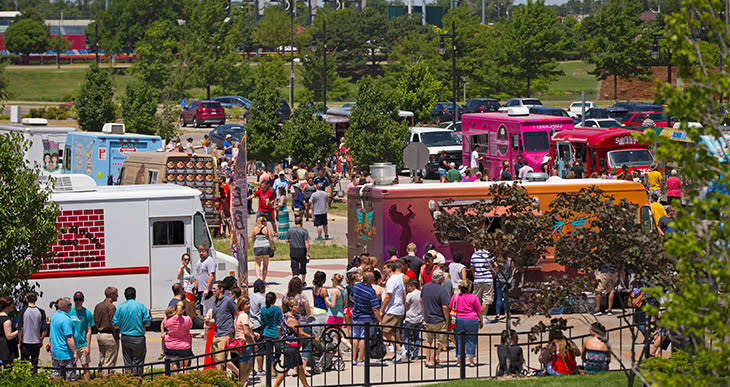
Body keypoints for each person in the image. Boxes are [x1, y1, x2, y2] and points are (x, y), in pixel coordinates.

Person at [275, 297, 317, 387]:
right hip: (291, 346)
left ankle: (306, 385)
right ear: (290, 307)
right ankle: (275, 386)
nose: (298, 307)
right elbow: (300, 333)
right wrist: (313, 337)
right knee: (285, 370)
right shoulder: (292, 320)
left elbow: (280, 330)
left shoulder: (284, 316)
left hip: (288, 345)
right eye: (296, 305)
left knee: (300, 368)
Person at [112, 287, 151, 376]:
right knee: (138, 362)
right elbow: (147, 323)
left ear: (125, 296)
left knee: (128, 362)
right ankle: (137, 380)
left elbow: (115, 324)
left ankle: (129, 380)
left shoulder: (120, 307)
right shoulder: (141, 306)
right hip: (138, 337)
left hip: (125, 337)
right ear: (135, 295)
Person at [421, 269, 450, 368]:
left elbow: (421, 300)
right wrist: (447, 319)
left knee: (428, 340)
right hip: (439, 319)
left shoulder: (425, 287)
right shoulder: (441, 290)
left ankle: (427, 359)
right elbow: (445, 307)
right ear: (440, 279)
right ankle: (432, 361)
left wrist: (424, 313)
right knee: (437, 341)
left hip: (428, 318)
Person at [351, 271, 382, 365]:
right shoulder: (370, 291)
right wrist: (380, 320)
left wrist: (358, 304)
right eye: (372, 278)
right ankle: (360, 359)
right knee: (364, 338)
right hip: (367, 317)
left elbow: (351, 297)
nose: (374, 279)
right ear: (369, 280)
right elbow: (375, 308)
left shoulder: (356, 286)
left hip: (356, 315)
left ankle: (353, 358)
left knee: (355, 336)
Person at [450, 280, 483, 366]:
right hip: (472, 319)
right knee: (471, 339)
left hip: (458, 319)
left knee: (458, 340)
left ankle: (459, 360)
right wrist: (481, 320)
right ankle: (471, 360)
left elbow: (450, 307)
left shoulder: (455, 296)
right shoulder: (473, 297)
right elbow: (479, 310)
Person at [381, 261, 407, 363]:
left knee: (385, 330)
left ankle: (400, 349)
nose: (384, 270)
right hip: (399, 308)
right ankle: (397, 354)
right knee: (394, 331)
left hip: (393, 309)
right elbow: (404, 293)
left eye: (385, 268)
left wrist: (381, 310)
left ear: (390, 268)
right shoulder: (399, 278)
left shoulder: (392, 280)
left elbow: (388, 295)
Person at [208, 281, 236, 370]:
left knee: (221, 359)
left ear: (221, 289)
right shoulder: (215, 302)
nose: (212, 291)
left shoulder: (228, 300)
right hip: (217, 333)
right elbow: (215, 318)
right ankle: (219, 379)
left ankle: (241, 375)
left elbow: (236, 313)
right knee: (216, 359)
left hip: (226, 333)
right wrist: (208, 321)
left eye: (214, 289)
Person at [228, 296, 255, 384]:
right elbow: (246, 333)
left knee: (247, 369)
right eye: (247, 304)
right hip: (246, 344)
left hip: (240, 343)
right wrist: (254, 344)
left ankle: (243, 383)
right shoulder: (244, 315)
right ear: (242, 305)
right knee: (244, 371)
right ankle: (242, 384)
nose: (249, 305)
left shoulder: (238, 315)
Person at [17, 291, 48, 369]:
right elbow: (45, 329)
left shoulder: (23, 311)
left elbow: (20, 328)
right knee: (34, 364)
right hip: (36, 341)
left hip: (25, 341)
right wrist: (41, 340)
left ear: (26, 300)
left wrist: (19, 341)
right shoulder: (41, 312)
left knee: (23, 365)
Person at [48, 298, 77, 380]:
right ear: (67, 307)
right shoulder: (66, 320)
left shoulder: (54, 316)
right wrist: (74, 352)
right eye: (70, 305)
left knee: (56, 376)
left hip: (56, 351)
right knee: (69, 377)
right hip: (66, 352)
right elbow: (69, 337)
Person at [68, 291, 94, 381]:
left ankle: (86, 384)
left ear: (83, 300)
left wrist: (88, 346)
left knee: (85, 367)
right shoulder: (69, 312)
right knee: (70, 368)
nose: (78, 301)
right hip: (71, 344)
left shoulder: (87, 313)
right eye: (76, 299)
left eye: (79, 299)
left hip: (82, 344)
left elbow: (89, 331)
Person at [93, 287, 119, 374]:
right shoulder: (111, 307)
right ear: (111, 295)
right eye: (116, 294)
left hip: (100, 334)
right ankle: (107, 380)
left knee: (102, 359)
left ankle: (99, 377)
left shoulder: (98, 306)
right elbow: (114, 324)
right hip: (109, 335)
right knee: (109, 362)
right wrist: (117, 336)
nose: (117, 296)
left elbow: (95, 320)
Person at [163, 301, 193, 370]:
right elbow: (190, 326)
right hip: (184, 346)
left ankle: (173, 379)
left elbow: (164, 326)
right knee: (184, 368)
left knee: (172, 367)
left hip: (170, 346)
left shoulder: (168, 320)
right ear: (183, 309)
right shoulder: (187, 319)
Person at [470, 249, 495, 325]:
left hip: (477, 280)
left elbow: (472, 268)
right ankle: (483, 317)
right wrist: (493, 275)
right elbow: (496, 266)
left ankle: (476, 317)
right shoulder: (489, 254)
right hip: (488, 279)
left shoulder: (474, 255)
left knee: (476, 299)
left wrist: (475, 276)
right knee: (486, 299)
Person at [248, 280, 267, 376]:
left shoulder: (250, 297)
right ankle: (260, 369)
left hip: (251, 324)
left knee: (252, 348)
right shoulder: (262, 299)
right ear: (260, 288)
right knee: (260, 349)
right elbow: (263, 313)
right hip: (259, 325)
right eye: (264, 287)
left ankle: (251, 369)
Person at [403, 278, 423, 362]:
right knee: (416, 337)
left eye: (408, 286)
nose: (407, 288)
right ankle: (416, 355)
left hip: (410, 318)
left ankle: (408, 354)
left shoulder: (410, 295)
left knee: (406, 337)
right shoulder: (421, 294)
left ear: (412, 286)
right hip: (419, 318)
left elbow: (405, 305)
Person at [286, 216, 310, 284]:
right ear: (301, 222)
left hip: (293, 249)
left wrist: (292, 241)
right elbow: (306, 242)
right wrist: (308, 251)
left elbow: (287, 240)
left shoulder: (290, 230)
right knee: (303, 266)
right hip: (302, 250)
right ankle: (302, 282)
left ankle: (295, 281)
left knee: (294, 267)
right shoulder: (304, 231)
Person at [251, 216, 276, 281]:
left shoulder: (255, 229)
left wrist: (255, 243)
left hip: (257, 247)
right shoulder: (267, 229)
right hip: (266, 247)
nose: (266, 222)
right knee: (265, 264)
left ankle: (258, 278)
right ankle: (263, 280)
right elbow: (271, 239)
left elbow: (253, 238)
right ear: (262, 222)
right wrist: (274, 246)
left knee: (257, 264)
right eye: (265, 221)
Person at [195, 244, 217, 315]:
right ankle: (205, 325)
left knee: (208, 311)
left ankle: (209, 325)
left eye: (203, 251)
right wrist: (196, 288)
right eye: (200, 251)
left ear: (207, 252)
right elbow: (197, 275)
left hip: (208, 290)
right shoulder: (199, 261)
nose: (201, 253)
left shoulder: (210, 261)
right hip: (200, 290)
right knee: (202, 310)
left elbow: (211, 276)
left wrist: (207, 289)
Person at [0, 297, 18, 367]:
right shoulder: (6, 320)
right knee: (7, 370)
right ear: (8, 305)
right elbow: (9, 336)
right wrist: (18, 331)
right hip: (6, 348)